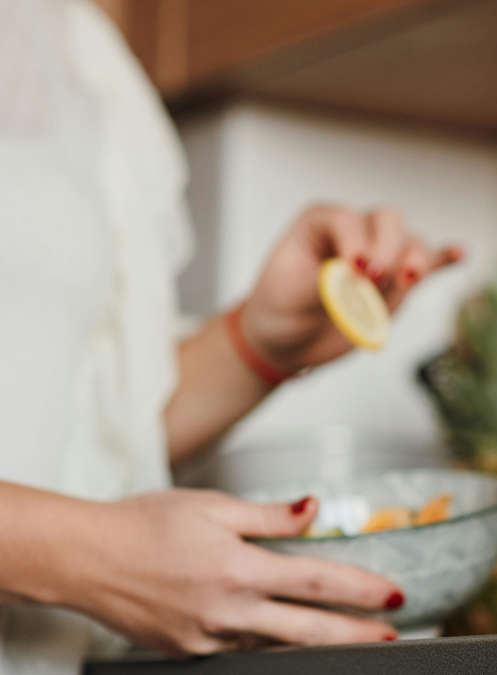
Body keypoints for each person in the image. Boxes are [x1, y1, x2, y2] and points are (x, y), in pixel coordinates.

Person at [0, 0, 462, 668]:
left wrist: (258, 345)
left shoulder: (81, 43)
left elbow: (81, 435)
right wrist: (90, 554)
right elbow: (84, 527)